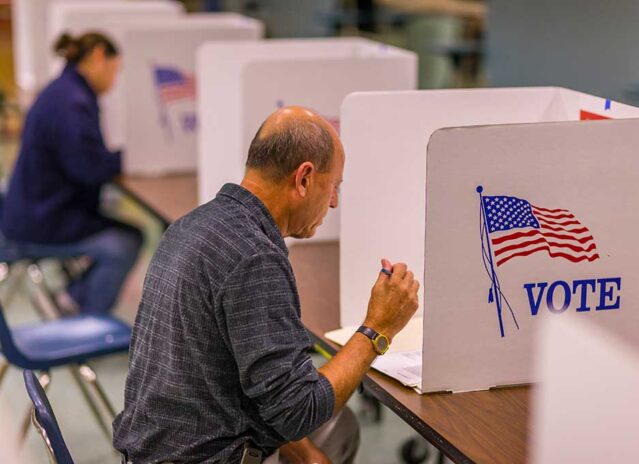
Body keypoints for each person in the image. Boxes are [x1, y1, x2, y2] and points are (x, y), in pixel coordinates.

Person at [113, 106, 420, 463]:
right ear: (304, 178)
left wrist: (304, 452)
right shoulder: (254, 257)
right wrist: (377, 328)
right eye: (333, 185)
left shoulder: (193, 225)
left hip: (155, 447)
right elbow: (299, 410)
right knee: (333, 427)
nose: (334, 201)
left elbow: (245, 382)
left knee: (336, 429)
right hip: (206, 456)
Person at [1, 32, 143, 315]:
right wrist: (132, 159)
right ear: (99, 56)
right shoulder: (72, 103)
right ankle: (84, 318)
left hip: (32, 211)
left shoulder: (62, 91)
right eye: (115, 71)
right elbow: (88, 169)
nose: (114, 82)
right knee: (125, 242)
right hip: (40, 224)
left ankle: (72, 298)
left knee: (119, 226)